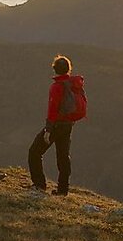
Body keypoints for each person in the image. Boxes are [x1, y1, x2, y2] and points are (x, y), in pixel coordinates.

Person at [28, 55, 86, 196]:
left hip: (56, 125)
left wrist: (48, 129)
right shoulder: (74, 84)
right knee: (63, 157)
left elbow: (52, 110)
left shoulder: (57, 87)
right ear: (68, 69)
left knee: (34, 152)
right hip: (68, 125)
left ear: (54, 69)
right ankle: (62, 190)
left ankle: (39, 185)